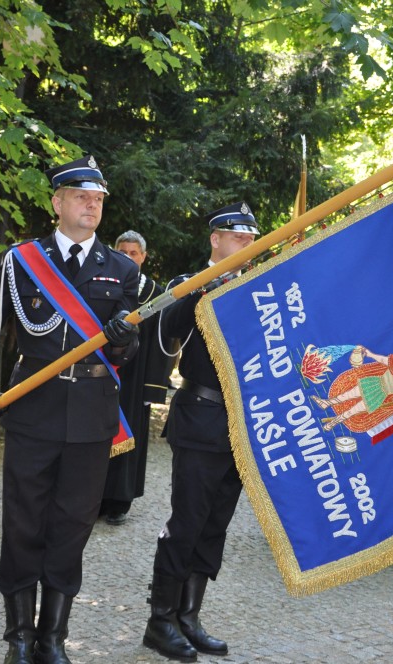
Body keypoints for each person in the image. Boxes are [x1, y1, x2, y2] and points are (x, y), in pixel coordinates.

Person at [0, 156, 140, 664]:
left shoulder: (123, 269)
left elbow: (122, 356)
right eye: (82, 196)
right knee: (23, 522)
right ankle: (19, 636)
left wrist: (122, 343)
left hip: (91, 415)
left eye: (99, 199)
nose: (92, 205)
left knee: (72, 525)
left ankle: (53, 638)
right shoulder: (21, 260)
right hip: (34, 409)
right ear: (57, 203)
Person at [143, 202, 259, 662]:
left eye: (252, 239)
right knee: (187, 522)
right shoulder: (187, 284)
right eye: (238, 238)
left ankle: (188, 617)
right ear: (216, 239)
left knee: (215, 525)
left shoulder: (257, 288)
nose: (247, 245)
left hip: (240, 426)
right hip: (200, 417)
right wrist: (201, 288)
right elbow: (166, 332)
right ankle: (160, 621)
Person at [99, 230, 173, 525]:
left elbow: (163, 344)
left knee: (130, 436)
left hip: (137, 377)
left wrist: (154, 387)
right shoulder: (105, 285)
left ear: (143, 257)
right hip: (104, 371)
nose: (129, 257)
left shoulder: (156, 294)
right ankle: (96, 496)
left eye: (134, 253)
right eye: (123, 251)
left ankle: (120, 500)